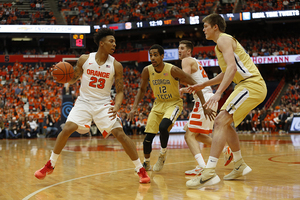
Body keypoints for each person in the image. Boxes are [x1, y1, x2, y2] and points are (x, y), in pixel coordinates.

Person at [35, 28, 150, 184]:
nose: (114, 44)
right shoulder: (84, 59)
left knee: (121, 135)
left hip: (103, 104)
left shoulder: (116, 65)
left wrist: (117, 105)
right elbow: (73, 78)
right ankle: (50, 164)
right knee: (67, 128)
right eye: (111, 41)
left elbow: (121, 91)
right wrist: (61, 77)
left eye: (115, 41)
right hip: (84, 102)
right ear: (101, 43)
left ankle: (140, 170)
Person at [186, 13, 267, 188]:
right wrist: (205, 84)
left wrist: (219, 93)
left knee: (220, 121)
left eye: (205, 26)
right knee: (226, 123)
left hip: (251, 84)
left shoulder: (223, 39)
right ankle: (239, 164)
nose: (203, 29)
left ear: (215, 26)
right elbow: (226, 71)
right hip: (244, 85)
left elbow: (232, 67)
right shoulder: (220, 45)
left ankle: (209, 172)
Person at [128, 44, 215, 172]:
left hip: (173, 103)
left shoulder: (173, 69)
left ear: (162, 56)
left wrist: (204, 105)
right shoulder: (147, 70)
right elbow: (141, 89)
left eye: (155, 55)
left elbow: (194, 83)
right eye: (151, 55)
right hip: (158, 104)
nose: (152, 58)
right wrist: (134, 107)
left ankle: (162, 154)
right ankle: (146, 163)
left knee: (163, 127)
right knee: (147, 139)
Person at [178, 40, 233, 176]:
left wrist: (171, 77)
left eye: (182, 48)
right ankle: (225, 149)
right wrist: (184, 90)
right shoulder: (194, 62)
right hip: (207, 98)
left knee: (189, 135)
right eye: (178, 48)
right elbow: (194, 83)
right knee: (196, 135)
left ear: (189, 51)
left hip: (204, 100)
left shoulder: (186, 60)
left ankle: (202, 167)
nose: (179, 51)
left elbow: (183, 78)